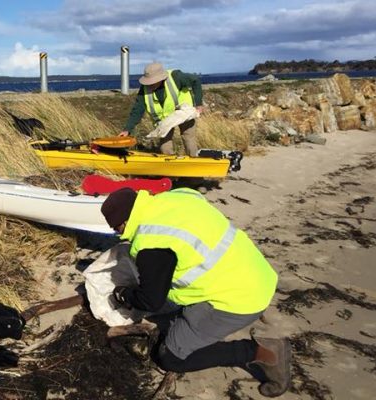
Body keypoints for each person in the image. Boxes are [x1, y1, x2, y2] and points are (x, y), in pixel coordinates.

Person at [100, 187, 291, 398]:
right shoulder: (176, 197)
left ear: (123, 223)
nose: (119, 234)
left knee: (170, 357)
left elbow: (150, 301)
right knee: (167, 318)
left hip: (239, 298)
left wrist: (125, 294)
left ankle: (262, 353)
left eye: (117, 230)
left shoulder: (151, 243)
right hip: (255, 272)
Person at [119, 62, 203, 156]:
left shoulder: (176, 77)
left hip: (184, 112)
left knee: (188, 138)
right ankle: (170, 162)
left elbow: (195, 80)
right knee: (165, 146)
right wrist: (127, 129)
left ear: (161, 78)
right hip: (164, 119)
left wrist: (199, 104)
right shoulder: (144, 89)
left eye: (153, 81)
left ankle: (194, 160)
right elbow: (137, 110)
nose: (150, 84)